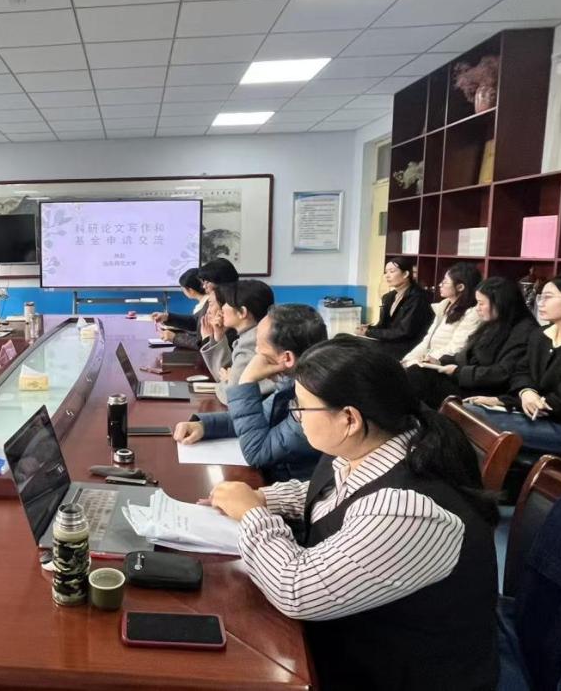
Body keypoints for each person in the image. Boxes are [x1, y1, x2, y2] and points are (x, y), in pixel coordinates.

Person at [202, 337, 498, 691]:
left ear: (349, 418)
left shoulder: (409, 511)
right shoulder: (374, 443)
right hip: (349, 641)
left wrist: (253, 514)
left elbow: (295, 590)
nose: (297, 416)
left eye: (301, 407)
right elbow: (329, 494)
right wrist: (261, 498)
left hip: (397, 674)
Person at [174, 304, 326, 482]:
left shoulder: (313, 399)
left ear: (287, 358)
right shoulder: (291, 380)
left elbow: (258, 453)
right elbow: (258, 417)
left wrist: (246, 381)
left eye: (260, 347)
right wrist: (205, 426)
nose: (256, 353)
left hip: (293, 490)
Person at [466, 274, 561, 455]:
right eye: (540, 297)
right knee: (469, 411)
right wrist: (522, 393)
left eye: (548, 297)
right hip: (535, 415)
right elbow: (521, 371)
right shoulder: (541, 335)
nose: (540, 303)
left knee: (474, 420)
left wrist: (512, 403)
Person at [406, 276, 538, 409]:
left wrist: (459, 372)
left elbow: (503, 373)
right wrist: (440, 362)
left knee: (419, 377)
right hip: (468, 380)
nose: (477, 308)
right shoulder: (494, 323)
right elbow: (467, 355)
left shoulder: (524, 331)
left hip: (487, 391)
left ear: (500, 303)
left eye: (481, 303)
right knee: (416, 371)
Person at [199, 279, 276, 402]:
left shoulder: (252, 343)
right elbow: (222, 373)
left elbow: (231, 396)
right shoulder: (251, 335)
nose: (222, 308)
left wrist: (226, 382)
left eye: (227, 303)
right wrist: (219, 335)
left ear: (243, 312)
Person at [401, 263, 482, 368]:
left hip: (443, 365)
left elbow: (456, 348)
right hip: (426, 361)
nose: (440, 285)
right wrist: (408, 360)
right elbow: (427, 341)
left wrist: (421, 360)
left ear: (460, 287)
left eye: (445, 282)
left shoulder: (472, 313)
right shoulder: (443, 307)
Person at [356, 256, 433, 360]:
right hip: (391, 342)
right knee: (345, 340)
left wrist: (369, 333)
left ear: (405, 274)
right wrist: (367, 329)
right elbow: (384, 326)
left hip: (408, 345)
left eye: (392, 271)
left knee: (358, 350)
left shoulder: (417, 298)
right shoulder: (389, 297)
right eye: (386, 272)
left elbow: (404, 332)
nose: (387, 276)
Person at [154, 260, 240, 349]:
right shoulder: (213, 298)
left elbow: (208, 344)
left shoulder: (230, 307)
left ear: (221, 283)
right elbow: (196, 321)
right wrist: (168, 317)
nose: (204, 286)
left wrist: (175, 338)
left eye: (207, 282)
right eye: (204, 282)